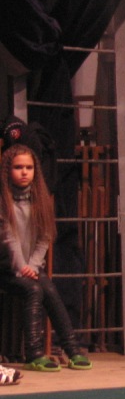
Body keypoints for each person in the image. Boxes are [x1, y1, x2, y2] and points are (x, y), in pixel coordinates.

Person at [0, 144, 92, 372]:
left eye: (29, 167)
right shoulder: (3, 201)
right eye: (18, 167)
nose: (24, 172)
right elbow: (9, 239)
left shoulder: (40, 199)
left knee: (49, 289)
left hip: (28, 267)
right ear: (7, 171)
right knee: (34, 290)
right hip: (6, 267)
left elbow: (45, 237)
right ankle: (34, 354)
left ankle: (72, 350)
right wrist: (22, 268)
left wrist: (32, 266)